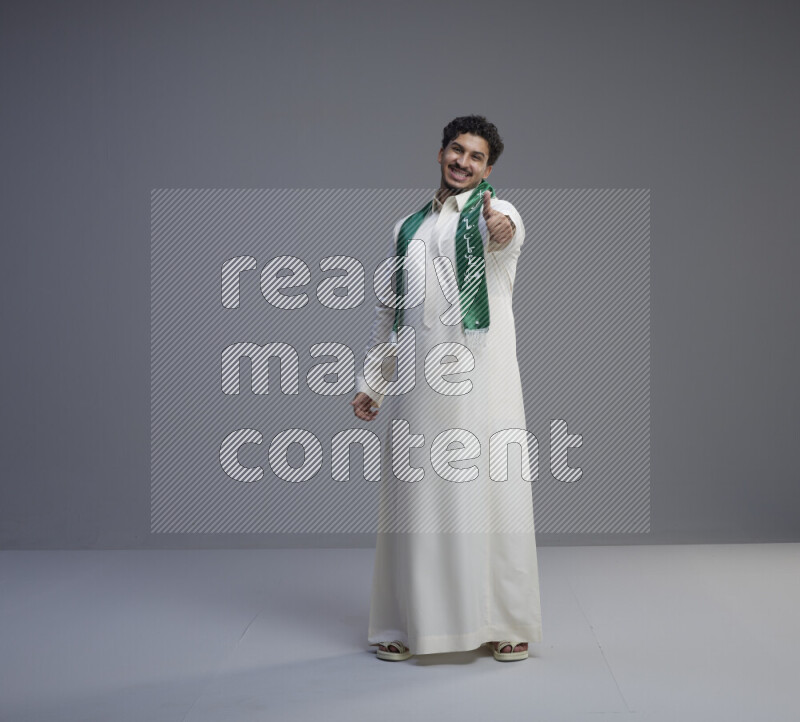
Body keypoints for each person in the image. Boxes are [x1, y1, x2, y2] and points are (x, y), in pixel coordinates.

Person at [351, 115, 543, 662]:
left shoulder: (497, 213)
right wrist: (373, 382)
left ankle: (505, 623)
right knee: (417, 498)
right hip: (419, 386)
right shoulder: (405, 228)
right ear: (440, 154)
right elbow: (388, 310)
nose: (463, 162)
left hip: (484, 384)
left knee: (492, 494)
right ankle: (409, 622)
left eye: (476, 157)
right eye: (456, 151)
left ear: (489, 169)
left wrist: (500, 228)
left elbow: (504, 237)